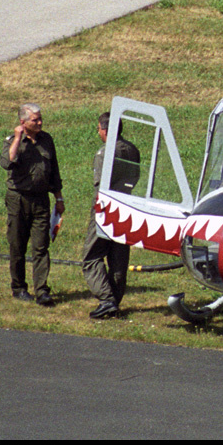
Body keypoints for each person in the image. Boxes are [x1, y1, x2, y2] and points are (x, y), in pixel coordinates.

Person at [0, 103, 64, 307]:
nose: (40, 122)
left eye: (40, 118)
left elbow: (54, 170)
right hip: (18, 199)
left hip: (41, 200)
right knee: (17, 245)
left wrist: (59, 198)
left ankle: (42, 290)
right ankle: (18, 288)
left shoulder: (47, 140)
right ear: (23, 122)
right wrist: (18, 138)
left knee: (41, 246)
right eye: (35, 120)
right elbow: (7, 162)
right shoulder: (12, 141)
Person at [83, 112, 140, 319]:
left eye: (98, 129)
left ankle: (106, 299)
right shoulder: (132, 150)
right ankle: (115, 300)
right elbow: (135, 177)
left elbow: (99, 184)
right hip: (126, 206)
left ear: (105, 130)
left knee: (91, 257)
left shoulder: (104, 152)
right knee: (119, 256)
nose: (98, 132)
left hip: (105, 208)